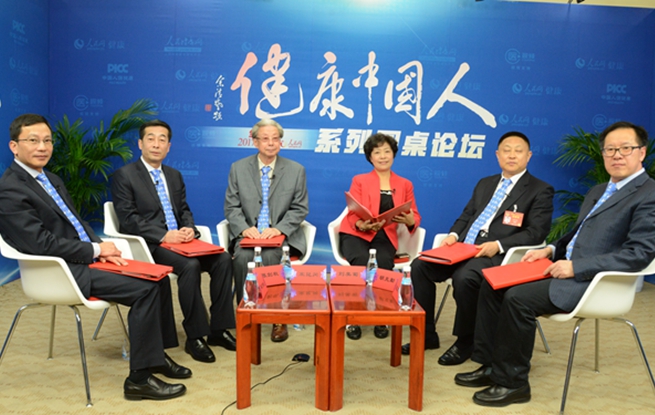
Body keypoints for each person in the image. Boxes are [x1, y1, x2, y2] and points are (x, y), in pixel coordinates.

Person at [455, 121, 655, 407]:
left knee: (517, 298)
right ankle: (490, 365)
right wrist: (549, 250)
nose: (617, 155)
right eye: (610, 149)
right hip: (562, 268)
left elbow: (639, 254)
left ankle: (513, 383)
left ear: (642, 152)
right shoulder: (599, 190)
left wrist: (576, 267)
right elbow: (577, 234)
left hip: (593, 282)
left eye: (625, 148)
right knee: (492, 282)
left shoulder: (649, 194)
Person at [0, 114, 188, 400]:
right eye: (33, 140)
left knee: (159, 277)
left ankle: (156, 357)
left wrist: (101, 248)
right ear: (14, 146)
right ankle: (139, 379)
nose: (42, 147)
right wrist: (96, 251)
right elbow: (40, 244)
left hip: (83, 259)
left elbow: (78, 222)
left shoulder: (49, 178)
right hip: (61, 271)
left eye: (47, 141)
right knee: (146, 290)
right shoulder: (10, 188)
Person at [403, 131, 554, 366]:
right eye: (506, 150)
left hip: (499, 254)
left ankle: (466, 341)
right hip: (464, 248)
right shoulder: (486, 183)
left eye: (518, 151)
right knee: (419, 266)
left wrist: (499, 245)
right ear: (497, 155)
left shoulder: (539, 189)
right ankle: (426, 333)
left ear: (529, 156)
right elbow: (467, 215)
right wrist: (453, 235)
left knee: (465, 278)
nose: (512, 155)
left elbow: (536, 232)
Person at [111, 120, 236, 364]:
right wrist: (163, 235)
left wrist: (189, 229)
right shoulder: (125, 175)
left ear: (169, 146)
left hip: (180, 242)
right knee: (190, 266)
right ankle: (195, 336)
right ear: (140, 143)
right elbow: (128, 219)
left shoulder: (174, 176)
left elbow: (184, 210)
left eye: (162, 140)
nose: (156, 144)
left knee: (222, 259)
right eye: (150, 139)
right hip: (151, 245)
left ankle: (218, 330)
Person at [224, 118, 309, 343]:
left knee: (272, 256)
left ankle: (277, 318)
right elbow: (231, 206)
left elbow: (300, 208)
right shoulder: (238, 168)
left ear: (281, 142)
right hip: (249, 234)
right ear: (255, 142)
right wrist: (244, 229)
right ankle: (246, 312)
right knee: (243, 258)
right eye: (265, 139)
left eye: (275, 139)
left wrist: (279, 229)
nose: (271, 143)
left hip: (279, 237)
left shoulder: (296, 170)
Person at [338, 133, 421, 340]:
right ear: (370, 157)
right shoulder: (360, 180)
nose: (383, 156)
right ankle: (353, 316)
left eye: (387, 151)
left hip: (385, 235)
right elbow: (352, 212)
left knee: (383, 263)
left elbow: (415, 215)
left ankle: (381, 315)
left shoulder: (405, 184)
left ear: (393, 154)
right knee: (361, 261)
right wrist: (361, 224)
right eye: (377, 152)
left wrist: (409, 220)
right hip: (357, 233)